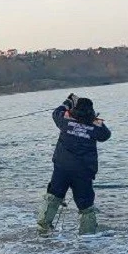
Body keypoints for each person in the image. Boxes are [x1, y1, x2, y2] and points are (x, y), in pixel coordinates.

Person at [37, 93, 111, 234]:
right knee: (86, 205)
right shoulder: (95, 127)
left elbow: (56, 112)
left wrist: (68, 103)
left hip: (62, 168)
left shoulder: (65, 122)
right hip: (83, 171)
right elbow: (106, 135)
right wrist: (95, 121)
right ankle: (88, 236)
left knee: (53, 197)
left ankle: (43, 228)